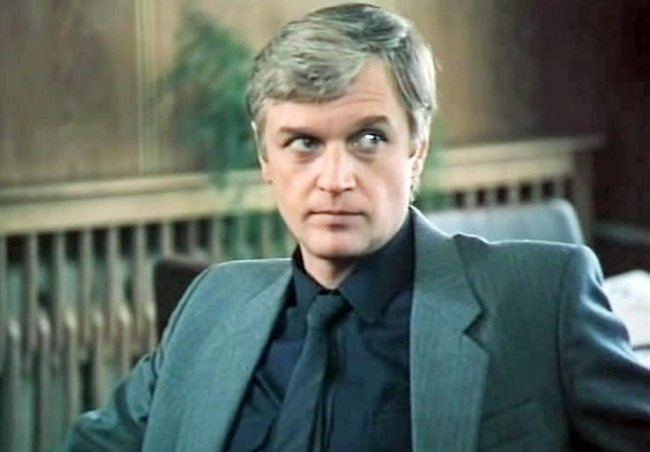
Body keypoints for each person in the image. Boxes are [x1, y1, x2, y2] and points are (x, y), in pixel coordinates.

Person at [64, 3, 650, 451]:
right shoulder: (213, 302)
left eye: (368, 138)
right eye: (303, 144)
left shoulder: (541, 296)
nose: (335, 179)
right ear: (265, 157)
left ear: (416, 150)